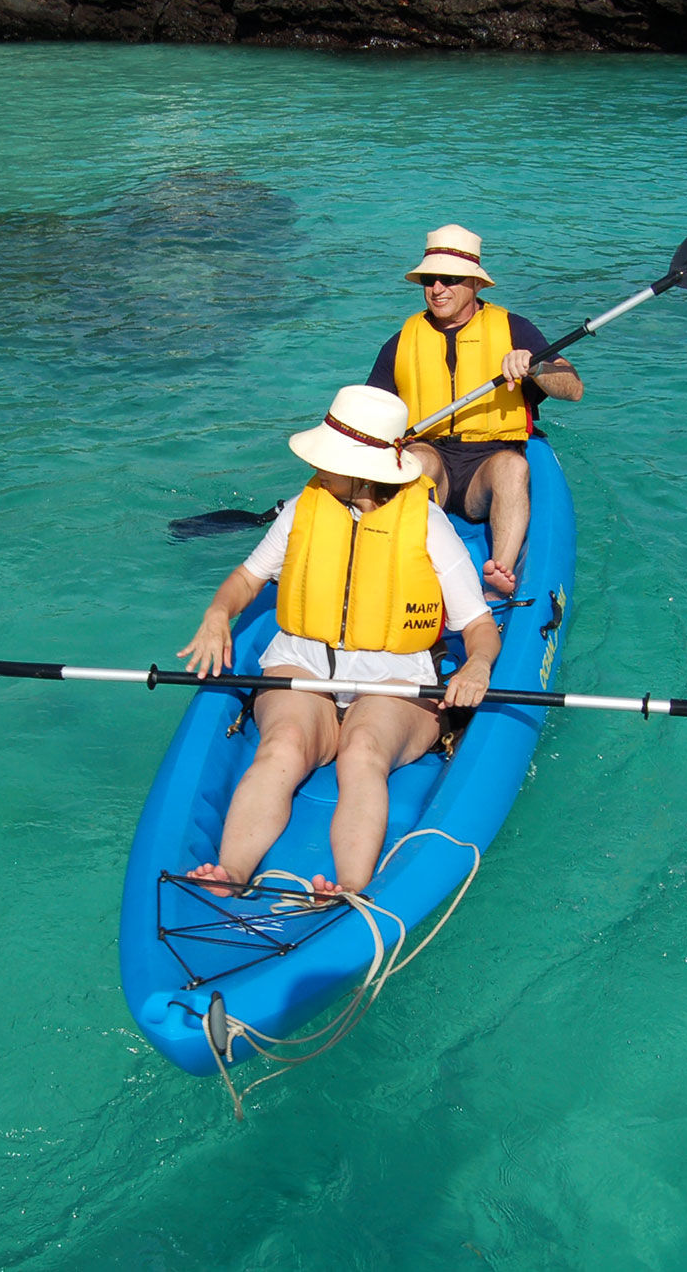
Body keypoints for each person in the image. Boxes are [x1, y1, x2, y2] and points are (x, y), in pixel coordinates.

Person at [177, 385, 501, 900]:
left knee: (362, 752)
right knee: (282, 745)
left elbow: (480, 627)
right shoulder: (306, 507)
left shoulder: (427, 525)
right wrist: (218, 612)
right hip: (302, 665)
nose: (316, 466)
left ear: (365, 468)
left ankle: (350, 885)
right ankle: (232, 872)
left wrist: (477, 667)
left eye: (330, 457)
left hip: (395, 680)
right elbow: (245, 580)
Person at [365, 223, 583, 597]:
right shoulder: (401, 343)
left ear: (476, 284)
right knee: (417, 460)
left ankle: (499, 580)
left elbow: (573, 388)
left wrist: (535, 367)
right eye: (429, 279)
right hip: (434, 456)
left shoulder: (515, 329)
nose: (437, 289)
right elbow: (369, 415)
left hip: (489, 461)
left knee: (514, 467)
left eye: (450, 279)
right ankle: (410, 570)